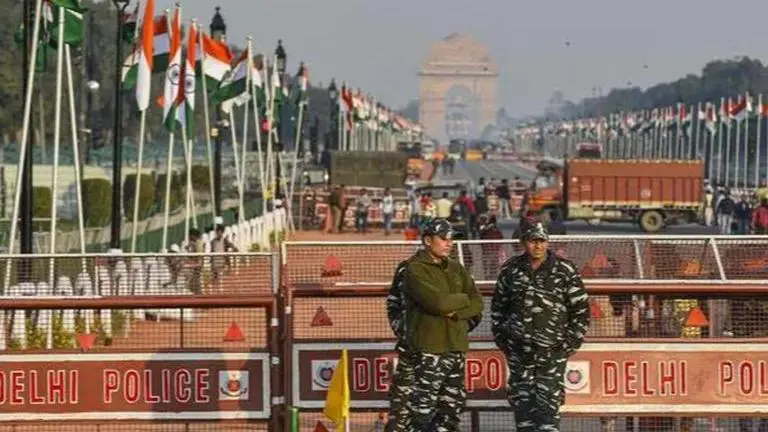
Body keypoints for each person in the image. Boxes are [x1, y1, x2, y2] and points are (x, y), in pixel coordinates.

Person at [491, 219, 590, 432]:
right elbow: (498, 308)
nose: (538, 246)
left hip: (551, 355)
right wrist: (505, 341)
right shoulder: (510, 269)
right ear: (523, 242)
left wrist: (568, 344)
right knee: (523, 417)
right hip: (520, 355)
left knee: (548, 418)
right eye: (533, 241)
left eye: (542, 241)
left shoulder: (564, 270)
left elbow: (581, 310)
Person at [398, 218, 484, 431]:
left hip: (455, 348)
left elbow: (478, 303)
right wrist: (463, 299)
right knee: (422, 412)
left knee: (451, 411)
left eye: (451, 239)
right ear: (428, 240)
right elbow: (437, 302)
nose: (449, 243)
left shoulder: (456, 268)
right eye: (443, 238)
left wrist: (455, 314)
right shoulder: (414, 269)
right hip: (429, 350)